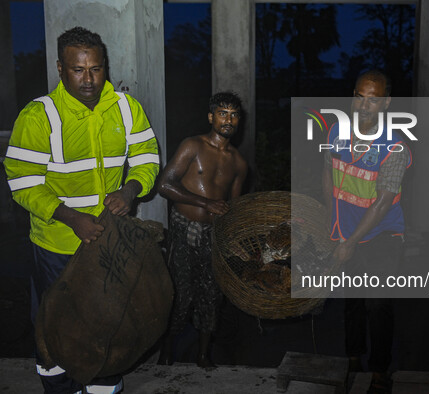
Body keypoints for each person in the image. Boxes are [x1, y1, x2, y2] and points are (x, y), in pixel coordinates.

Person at [4, 26, 160, 393]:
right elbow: (22, 181)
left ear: (105, 66)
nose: (88, 79)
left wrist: (131, 189)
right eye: (78, 69)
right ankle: (59, 385)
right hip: (58, 244)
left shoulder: (126, 107)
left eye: (96, 68)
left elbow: (147, 158)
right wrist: (71, 218)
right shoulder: (39, 116)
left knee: (106, 322)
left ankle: (103, 385)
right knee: (55, 324)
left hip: (109, 243)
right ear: (60, 68)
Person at [323, 69, 411, 393]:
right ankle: (352, 358)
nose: (364, 105)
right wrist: (331, 219)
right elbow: (328, 172)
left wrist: (350, 242)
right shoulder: (336, 131)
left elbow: (384, 202)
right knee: (352, 300)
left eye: (373, 100)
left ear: (386, 102)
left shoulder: (394, 148)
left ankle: (379, 370)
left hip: (382, 236)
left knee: (377, 302)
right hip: (347, 230)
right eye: (360, 97)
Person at [157, 92, 247, 370]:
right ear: (211, 117)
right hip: (184, 228)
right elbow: (164, 185)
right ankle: (166, 352)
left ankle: (203, 355)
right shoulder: (192, 146)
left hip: (212, 235)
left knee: (211, 295)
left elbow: (229, 208)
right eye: (223, 113)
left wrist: (234, 241)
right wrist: (205, 202)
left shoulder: (239, 164)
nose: (228, 119)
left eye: (233, 115)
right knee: (179, 294)